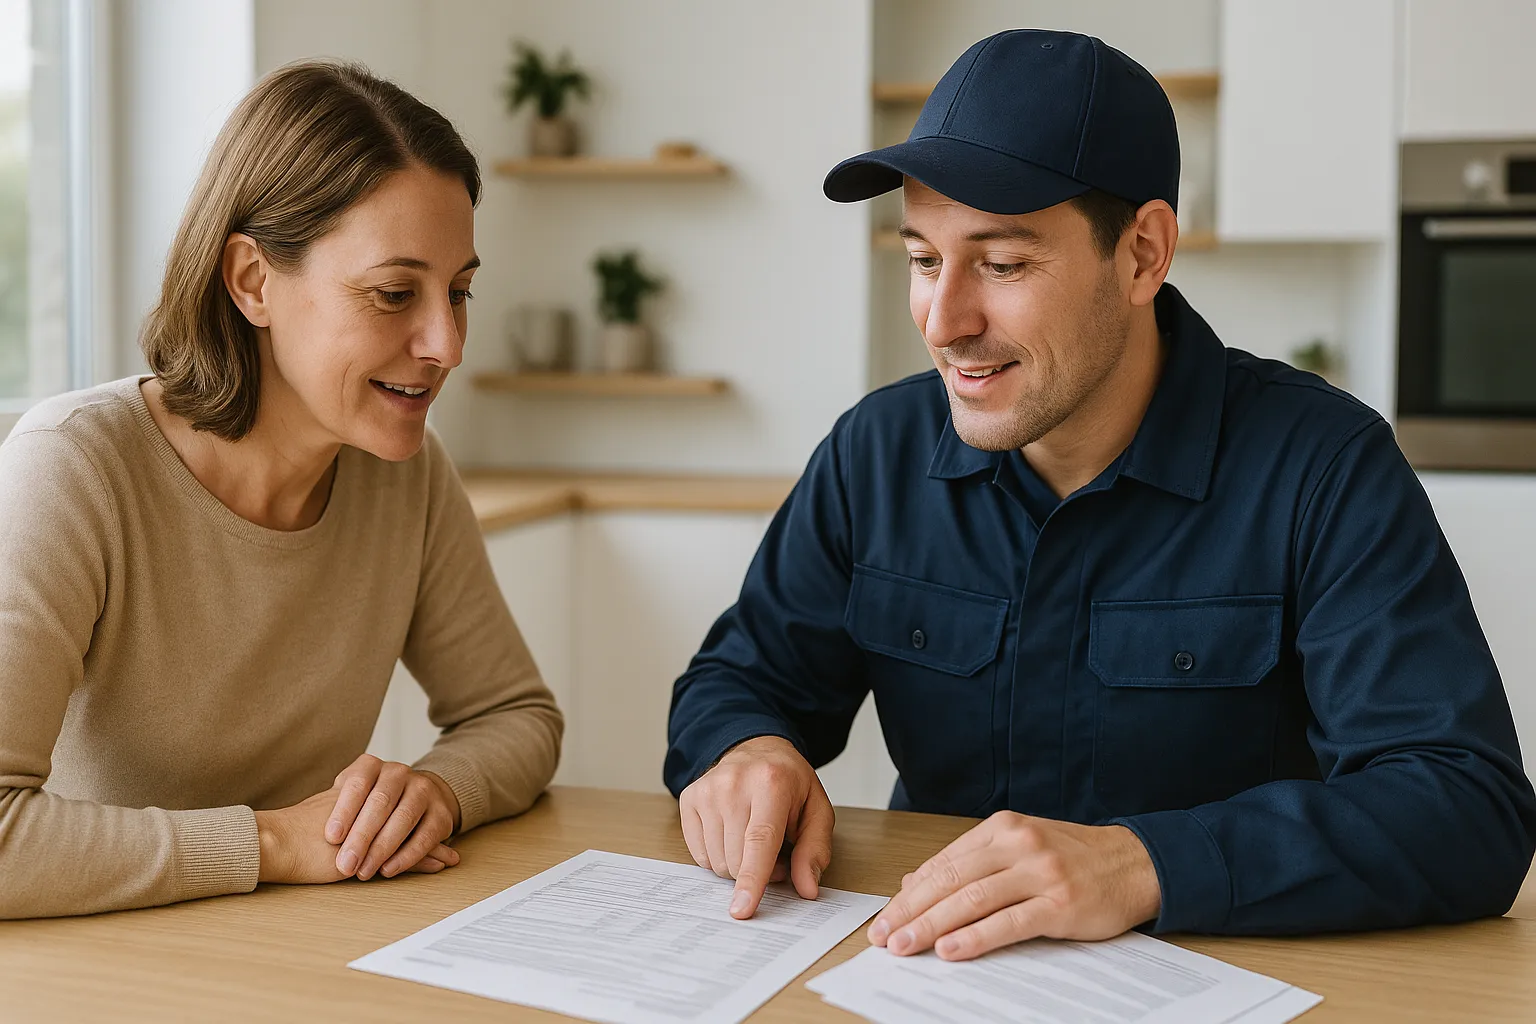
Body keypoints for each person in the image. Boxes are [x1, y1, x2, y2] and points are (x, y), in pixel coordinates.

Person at [666, 29, 1536, 958]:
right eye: (923, 260)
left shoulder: (1323, 467)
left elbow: (1466, 805)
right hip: (930, 976)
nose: (944, 321)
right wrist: (746, 750)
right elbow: (737, 679)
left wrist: (1141, 864)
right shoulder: (873, 453)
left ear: (1143, 255)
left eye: (1002, 265)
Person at [0, 62, 563, 919]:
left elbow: (516, 715)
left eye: (458, 293)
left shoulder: (405, 478)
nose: (446, 345)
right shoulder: (74, 469)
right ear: (252, 281)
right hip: (98, 966)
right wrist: (272, 844)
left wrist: (437, 792)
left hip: (292, 943)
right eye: (394, 293)